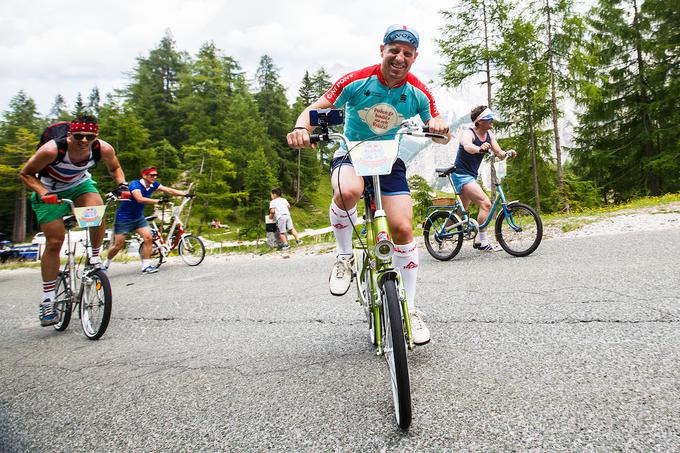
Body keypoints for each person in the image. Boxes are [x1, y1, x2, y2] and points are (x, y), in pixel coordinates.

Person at [286, 24, 451, 345]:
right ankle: (344, 256)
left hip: (389, 160)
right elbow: (313, 108)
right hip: (351, 152)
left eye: (407, 53)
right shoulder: (355, 80)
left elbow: (439, 127)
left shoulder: (419, 92)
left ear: (415, 58)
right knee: (348, 191)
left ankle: (411, 309)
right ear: (382, 51)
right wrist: (299, 128)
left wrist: (440, 127)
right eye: (394, 50)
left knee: (403, 228)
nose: (399, 57)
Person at [19, 115, 128, 326]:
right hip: (49, 191)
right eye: (79, 136)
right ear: (70, 135)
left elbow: (115, 168)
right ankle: (48, 300)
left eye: (90, 136)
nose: (85, 141)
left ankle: (95, 257)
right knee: (54, 241)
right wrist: (42, 192)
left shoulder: (102, 148)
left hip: (79, 185)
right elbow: (26, 174)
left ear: (96, 136)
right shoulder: (51, 150)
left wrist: (122, 184)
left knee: (96, 209)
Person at [452, 105, 516, 251]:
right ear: (480, 121)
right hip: (461, 175)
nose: (492, 120)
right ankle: (483, 242)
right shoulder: (469, 133)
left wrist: (508, 153)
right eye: (489, 118)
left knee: (461, 212)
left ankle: (442, 233)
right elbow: (468, 146)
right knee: (486, 204)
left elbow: (499, 152)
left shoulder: (489, 134)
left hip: (471, 175)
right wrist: (479, 148)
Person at [104, 166, 188, 273]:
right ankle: (105, 264)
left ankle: (146, 266)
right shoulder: (135, 184)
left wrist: (185, 194)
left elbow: (168, 190)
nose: (154, 177)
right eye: (152, 175)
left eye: (156, 175)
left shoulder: (153, 184)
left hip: (138, 217)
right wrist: (158, 201)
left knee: (148, 238)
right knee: (118, 245)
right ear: (144, 175)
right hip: (124, 218)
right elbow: (139, 199)